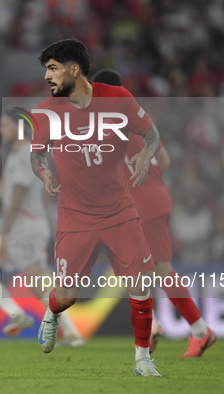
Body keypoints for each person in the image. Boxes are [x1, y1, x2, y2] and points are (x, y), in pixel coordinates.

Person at [31, 39, 161, 376]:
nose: (47, 76)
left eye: (53, 68)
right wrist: (44, 172)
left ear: (74, 70)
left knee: (140, 283)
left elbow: (151, 134)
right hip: (75, 216)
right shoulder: (45, 111)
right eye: (46, 69)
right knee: (68, 296)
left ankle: (143, 360)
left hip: (119, 210)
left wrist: (146, 154)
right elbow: (36, 153)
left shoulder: (118, 99)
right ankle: (52, 312)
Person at [92, 69, 216, 358]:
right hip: (155, 198)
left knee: (152, 269)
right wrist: (152, 182)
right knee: (140, 268)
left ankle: (194, 330)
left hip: (134, 204)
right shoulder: (137, 116)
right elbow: (165, 161)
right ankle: (181, 328)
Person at [0, 111, 84, 346]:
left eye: (5, 125)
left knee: (40, 284)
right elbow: (43, 192)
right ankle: (17, 315)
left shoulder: (25, 154)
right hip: (24, 225)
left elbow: (17, 197)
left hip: (22, 228)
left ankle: (73, 334)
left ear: (20, 128)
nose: (1, 130)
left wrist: (8, 231)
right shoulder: (25, 155)